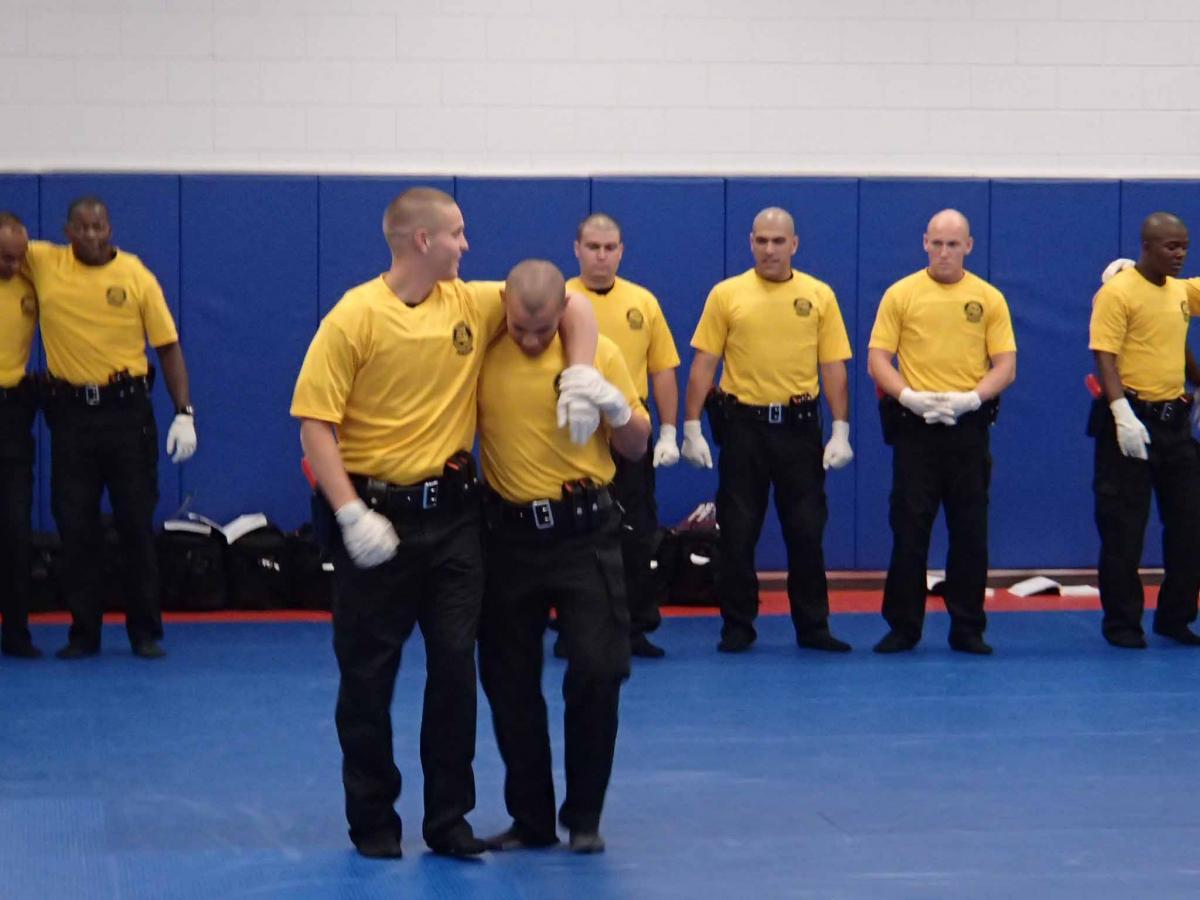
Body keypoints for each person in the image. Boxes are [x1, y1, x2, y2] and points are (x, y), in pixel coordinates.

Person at [290, 187, 600, 860]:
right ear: (422, 241)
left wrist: (580, 375)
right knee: (368, 677)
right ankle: (373, 819)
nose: (467, 244)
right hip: (375, 519)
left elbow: (569, 302)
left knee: (456, 669)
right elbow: (315, 424)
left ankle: (448, 819)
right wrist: (349, 512)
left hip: (456, 520)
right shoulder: (353, 318)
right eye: (457, 233)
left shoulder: (471, 302)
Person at [476, 259, 649, 855]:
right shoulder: (483, 353)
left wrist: (613, 407)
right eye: (519, 329)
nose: (529, 341)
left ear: (562, 313)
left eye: (543, 330)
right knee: (508, 681)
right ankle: (530, 818)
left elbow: (637, 444)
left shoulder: (596, 353)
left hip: (584, 534)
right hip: (508, 537)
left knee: (599, 671)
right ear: (504, 307)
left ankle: (585, 816)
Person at [25, 197, 197, 660]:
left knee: (135, 524)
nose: (91, 235)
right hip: (71, 418)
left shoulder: (136, 276)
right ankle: (84, 632)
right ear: (66, 231)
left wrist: (184, 412)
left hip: (127, 415)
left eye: (98, 226)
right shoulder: (43, 262)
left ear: (110, 228)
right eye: (81, 227)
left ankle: (144, 631)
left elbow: (168, 346)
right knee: (75, 526)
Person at [680, 207, 854, 654]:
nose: (770, 249)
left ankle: (813, 627)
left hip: (799, 429)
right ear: (750, 242)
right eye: (762, 240)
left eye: (778, 241)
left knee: (806, 531)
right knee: (737, 533)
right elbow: (704, 363)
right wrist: (691, 425)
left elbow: (833, 366)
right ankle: (738, 625)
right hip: (744, 429)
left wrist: (840, 429)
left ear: (794, 244)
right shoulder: (727, 294)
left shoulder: (819, 295)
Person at [866, 208, 1016, 656]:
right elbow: (878, 359)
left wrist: (974, 398)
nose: (944, 252)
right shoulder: (901, 294)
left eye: (953, 244)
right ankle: (903, 627)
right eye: (937, 243)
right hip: (917, 428)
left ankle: (967, 628)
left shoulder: (988, 298)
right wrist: (907, 396)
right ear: (924, 243)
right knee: (909, 531)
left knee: (970, 532)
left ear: (968, 246)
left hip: (967, 428)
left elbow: (1005, 365)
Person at [564, 212, 681, 659]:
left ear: (621, 252)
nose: (601, 255)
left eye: (609, 247)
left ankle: (634, 627)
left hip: (630, 428)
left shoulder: (642, 302)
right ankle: (573, 628)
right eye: (593, 247)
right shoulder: (560, 298)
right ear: (577, 249)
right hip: (574, 430)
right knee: (575, 534)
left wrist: (669, 432)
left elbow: (662, 369)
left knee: (634, 530)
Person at [1089, 212, 1200, 649]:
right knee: (1124, 530)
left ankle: (1175, 617)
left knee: (1190, 525)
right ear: (1147, 247)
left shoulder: (1181, 292)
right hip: (1131, 421)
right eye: (1171, 246)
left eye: (1184, 246)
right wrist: (1121, 412)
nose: (1180, 254)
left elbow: (1176, 340)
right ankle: (1122, 624)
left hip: (1175, 426)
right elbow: (1104, 354)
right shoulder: (1117, 292)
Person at [0, 213, 40, 658]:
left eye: (17, 257)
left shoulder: (33, 284)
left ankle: (16, 631)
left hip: (11, 413)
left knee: (15, 528)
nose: (12, 265)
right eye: (3, 258)